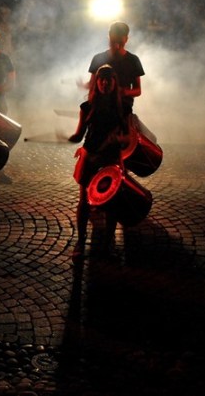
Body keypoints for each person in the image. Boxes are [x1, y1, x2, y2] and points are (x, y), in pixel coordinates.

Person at [68, 64, 132, 261]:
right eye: (101, 79)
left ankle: (108, 242)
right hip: (91, 155)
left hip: (111, 158)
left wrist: (119, 140)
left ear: (114, 82)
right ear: (97, 82)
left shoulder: (124, 107)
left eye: (108, 79)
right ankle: (80, 241)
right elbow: (80, 134)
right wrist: (72, 138)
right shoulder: (86, 107)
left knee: (112, 203)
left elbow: (128, 137)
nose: (104, 83)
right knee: (84, 202)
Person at [86, 21, 144, 113]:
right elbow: (92, 85)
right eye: (114, 39)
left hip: (122, 105)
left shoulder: (133, 60)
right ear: (109, 37)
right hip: (99, 104)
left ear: (126, 39)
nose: (116, 44)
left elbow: (138, 90)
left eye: (119, 40)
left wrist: (124, 92)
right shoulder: (98, 58)